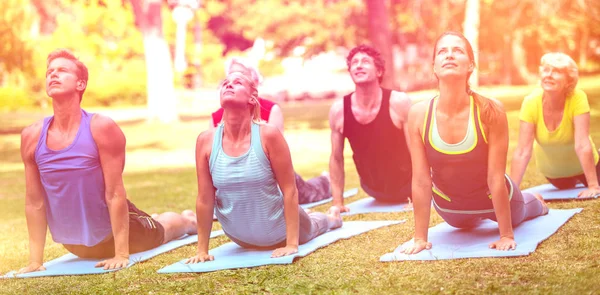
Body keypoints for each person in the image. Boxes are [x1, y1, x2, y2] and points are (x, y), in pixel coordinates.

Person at [17, 49, 198, 273]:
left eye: (62, 70)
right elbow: (34, 202)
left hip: (122, 234)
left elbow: (115, 193)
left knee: (163, 228)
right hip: (76, 245)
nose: (53, 75)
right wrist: (36, 261)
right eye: (49, 72)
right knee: (149, 219)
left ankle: (189, 220)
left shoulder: (100, 128)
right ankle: (152, 218)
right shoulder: (32, 136)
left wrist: (121, 254)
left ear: (81, 84)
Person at [402, 31, 549, 255]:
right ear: (434, 66)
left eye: (457, 51)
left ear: (470, 65)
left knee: (530, 207)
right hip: (451, 210)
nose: (449, 55)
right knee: (464, 225)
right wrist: (419, 238)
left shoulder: (490, 110)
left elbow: (495, 177)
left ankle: (534, 200)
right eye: (442, 51)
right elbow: (421, 181)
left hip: (495, 200)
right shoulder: (418, 114)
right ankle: (478, 215)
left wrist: (506, 234)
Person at [187, 71, 342, 263]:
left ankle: (332, 217)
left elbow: (290, 190)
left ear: (253, 98)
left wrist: (292, 244)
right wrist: (202, 250)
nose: (228, 85)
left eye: (237, 83)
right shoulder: (205, 141)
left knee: (318, 223)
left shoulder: (268, 135)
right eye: (225, 83)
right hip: (241, 238)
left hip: (282, 232)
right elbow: (204, 198)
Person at [210, 58, 330, 204]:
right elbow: (214, 165)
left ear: (254, 80)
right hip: (238, 184)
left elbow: (278, 159)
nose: (232, 82)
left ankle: (325, 180)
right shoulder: (215, 118)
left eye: (240, 76)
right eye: (230, 76)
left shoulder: (271, 109)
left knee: (310, 193)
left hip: (273, 178)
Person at [328, 45, 413, 212]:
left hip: (407, 188)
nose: (358, 65)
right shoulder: (338, 111)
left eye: (365, 61)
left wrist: (419, 195)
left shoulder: (399, 102)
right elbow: (336, 159)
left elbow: (417, 151)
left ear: (379, 72)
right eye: (354, 63)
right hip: (373, 190)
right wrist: (338, 202)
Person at [510, 53, 600, 198]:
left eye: (557, 71)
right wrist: (511, 194)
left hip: (587, 169)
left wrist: (593, 186)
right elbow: (522, 151)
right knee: (566, 185)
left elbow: (582, 144)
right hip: (556, 177)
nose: (549, 75)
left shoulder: (577, 98)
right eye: (546, 70)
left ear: (569, 81)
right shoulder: (530, 102)